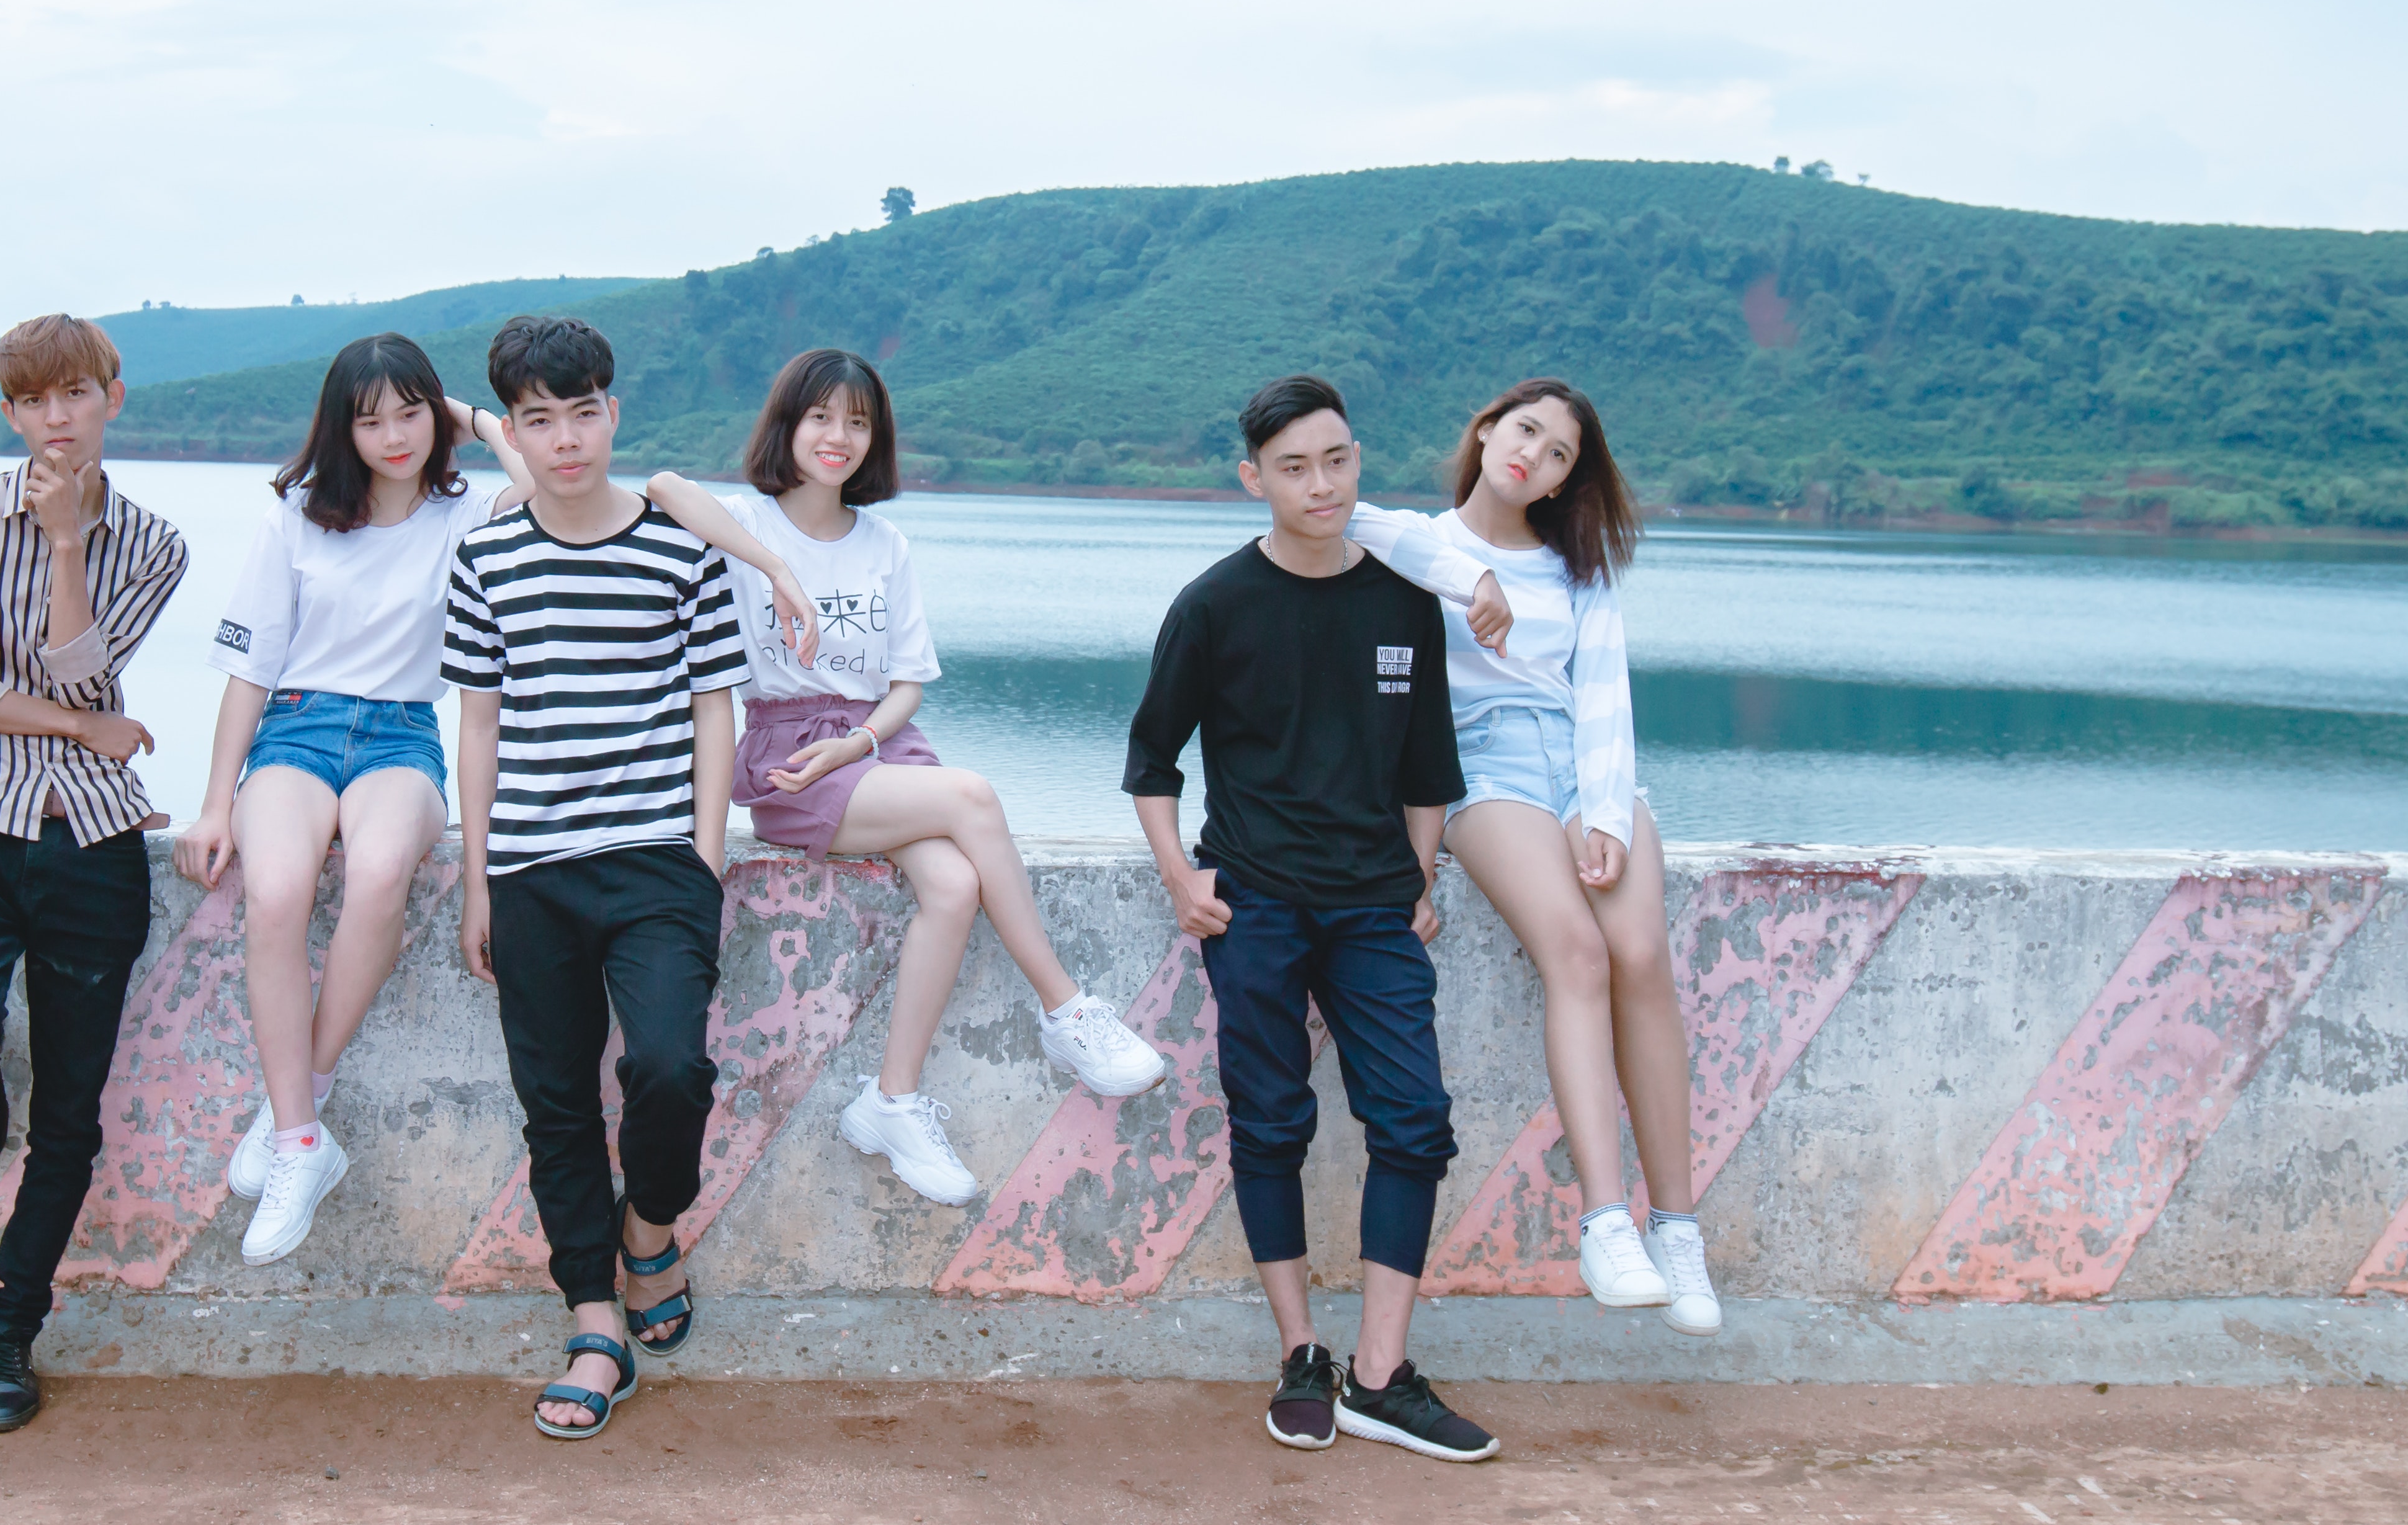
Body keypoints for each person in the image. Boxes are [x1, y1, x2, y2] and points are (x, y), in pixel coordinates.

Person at [174, 333, 814, 1267]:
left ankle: (294, 1109)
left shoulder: (471, 511)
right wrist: (212, 801)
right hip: (296, 728)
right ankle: (299, 1133)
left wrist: (474, 414)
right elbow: (247, 670)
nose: (394, 436)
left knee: (383, 871)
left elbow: (560, 462)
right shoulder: (298, 518)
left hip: (401, 735)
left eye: (410, 413)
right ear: (338, 430)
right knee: (273, 893)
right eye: (370, 419)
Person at [644, 347, 1166, 1207]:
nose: (838, 437)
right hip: (792, 756)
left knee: (955, 886)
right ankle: (1067, 1008)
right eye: (820, 417)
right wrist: (775, 570)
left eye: (857, 421)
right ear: (787, 423)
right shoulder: (748, 526)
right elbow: (664, 484)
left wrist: (862, 742)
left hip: (875, 748)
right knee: (973, 796)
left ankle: (891, 1101)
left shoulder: (884, 542)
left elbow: (907, 682)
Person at [1126, 373, 1500, 1463]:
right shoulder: (1214, 604)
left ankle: (1379, 1377)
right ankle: (1301, 1355)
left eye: (1336, 459)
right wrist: (1177, 879)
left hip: (1376, 906)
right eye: (1294, 467)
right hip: (1255, 901)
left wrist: (1421, 875)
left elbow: (1429, 765)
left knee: (1415, 1121)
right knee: (1272, 1122)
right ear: (1255, 479)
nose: (1321, 483)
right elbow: (1153, 763)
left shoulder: (1397, 601)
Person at [1353, 377, 1718, 1338]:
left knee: (1642, 958)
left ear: (1565, 481)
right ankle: (1605, 1219)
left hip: (1581, 758)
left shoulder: (1577, 570)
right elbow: (1346, 516)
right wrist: (1468, 580)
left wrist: (1600, 810)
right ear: (1484, 430)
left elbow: (1602, 693)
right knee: (1578, 953)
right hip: (1481, 763)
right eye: (1525, 432)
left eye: (1559, 454)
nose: (1535, 457)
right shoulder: (1418, 542)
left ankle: (1676, 1228)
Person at [442, 316, 751, 1439]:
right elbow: (479, 724)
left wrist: (703, 859)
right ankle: (594, 1325)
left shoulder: (681, 551)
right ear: (513, 430)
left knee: (669, 1067)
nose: (565, 439)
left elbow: (714, 708)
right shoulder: (485, 555)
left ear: (612, 412)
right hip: (529, 866)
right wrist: (478, 878)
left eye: (583, 413)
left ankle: (649, 1229)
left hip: (656, 861)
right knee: (558, 1103)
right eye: (538, 419)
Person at [0, 314, 190, 1435]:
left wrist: (69, 543)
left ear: (112, 395)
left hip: (95, 843)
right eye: (34, 402)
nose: (57, 419)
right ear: (11, 411)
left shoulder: (151, 542)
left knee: (69, 1117)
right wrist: (83, 732)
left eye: (76, 395)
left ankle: (8, 1329)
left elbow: (84, 675)